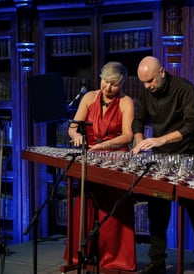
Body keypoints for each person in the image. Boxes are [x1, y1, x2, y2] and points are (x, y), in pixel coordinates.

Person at [131, 56, 194, 274]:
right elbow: (138, 121)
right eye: (143, 82)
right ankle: (157, 263)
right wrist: (139, 144)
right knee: (157, 212)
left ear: (162, 71)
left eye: (150, 81)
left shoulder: (185, 89)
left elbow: (193, 126)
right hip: (160, 159)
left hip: (187, 158)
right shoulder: (146, 91)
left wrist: (160, 139)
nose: (147, 86)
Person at [64, 61, 136, 270]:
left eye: (113, 84)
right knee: (85, 205)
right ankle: (83, 256)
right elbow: (73, 127)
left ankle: (114, 260)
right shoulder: (88, 98)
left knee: (113, 213)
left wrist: (103, 145)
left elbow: (128, 135)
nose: (108, 88)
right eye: (105, 82)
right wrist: (76, 135)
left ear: (121, 83)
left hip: (115, 161)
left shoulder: (126, 102)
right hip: (90, 159)